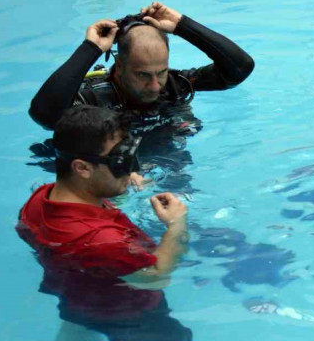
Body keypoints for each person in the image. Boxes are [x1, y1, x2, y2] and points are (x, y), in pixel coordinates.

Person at [16, 105, 191, 340]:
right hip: (130, 314)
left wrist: (115, 179)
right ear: (83, 168)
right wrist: (176, 224)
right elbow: (156, 277)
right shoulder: (102, 241)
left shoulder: (39, 200)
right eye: (119, 162)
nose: (130, 169)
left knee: (79, 324)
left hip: (77, 298)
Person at [29, 1, 255, 134]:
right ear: (119, 65)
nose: (156, 86)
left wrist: (182, 26)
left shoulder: (176, 86)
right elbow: (44, 115)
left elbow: (240, 68)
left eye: (162, 72)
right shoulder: (94, 102)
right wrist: (91, 48)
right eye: (143, 75)